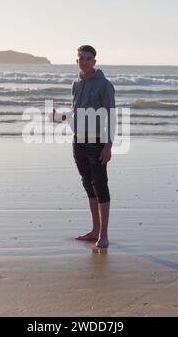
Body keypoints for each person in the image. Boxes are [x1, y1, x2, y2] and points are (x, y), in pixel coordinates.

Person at [51, 45, 116, 248]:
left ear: (94, 62)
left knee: (100, 185)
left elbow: (111, 117)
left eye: (89, 58)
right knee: (88, 185)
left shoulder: (105, 85)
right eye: (82, 58)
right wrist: (58, 117)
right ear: (76, 61)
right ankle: (94, 230)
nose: (85, 61)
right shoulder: (76, 84)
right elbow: (75, 113)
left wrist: (108, 145)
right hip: (78, 142)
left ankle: (103, 235)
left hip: (97, 143)